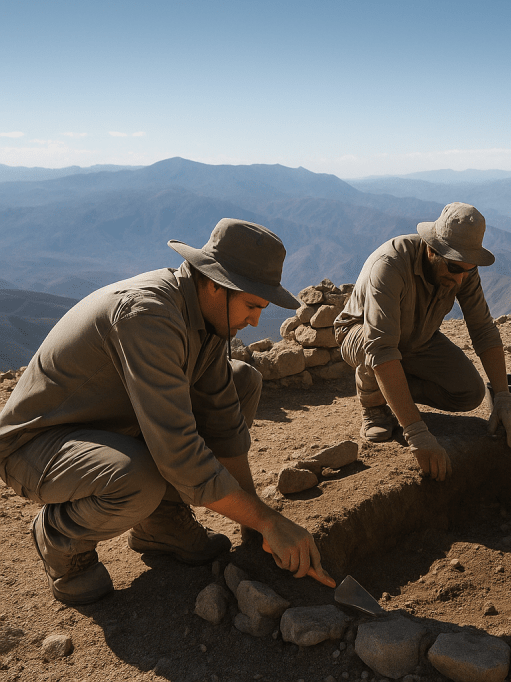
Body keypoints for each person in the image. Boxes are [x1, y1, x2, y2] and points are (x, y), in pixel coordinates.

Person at [0, 219, 334, 605]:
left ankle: (161, 524)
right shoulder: (148, 316)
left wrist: (256, 525)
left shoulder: (206, 317)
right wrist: (269, 521)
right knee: (136, 477)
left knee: (241, 380)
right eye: (251, 305)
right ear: (214, 283)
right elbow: (179, 455)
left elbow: (223, 420)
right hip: (39, 444)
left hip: (114, 428)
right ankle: (59, 537)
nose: (257, 320)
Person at [334, 202, 511, 481]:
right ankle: (373, 403)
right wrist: (417, 433)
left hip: (418, 338)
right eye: (453, 267)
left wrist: (504, 398)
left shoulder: (462, 267)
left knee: (470, 393)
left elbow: (483, 329)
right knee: (377, 349)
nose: (460, 277)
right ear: (431, 249)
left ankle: (393, 390)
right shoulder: (389, 265)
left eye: (467, 268)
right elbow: (381, 347)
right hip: (362, 335)